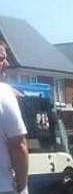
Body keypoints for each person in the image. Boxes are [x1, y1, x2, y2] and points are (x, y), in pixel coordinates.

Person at [0, 41, 29, 194]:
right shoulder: (3, 93)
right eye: (1, 59)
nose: (7, 63)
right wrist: (22, 185)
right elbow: (18, 146)